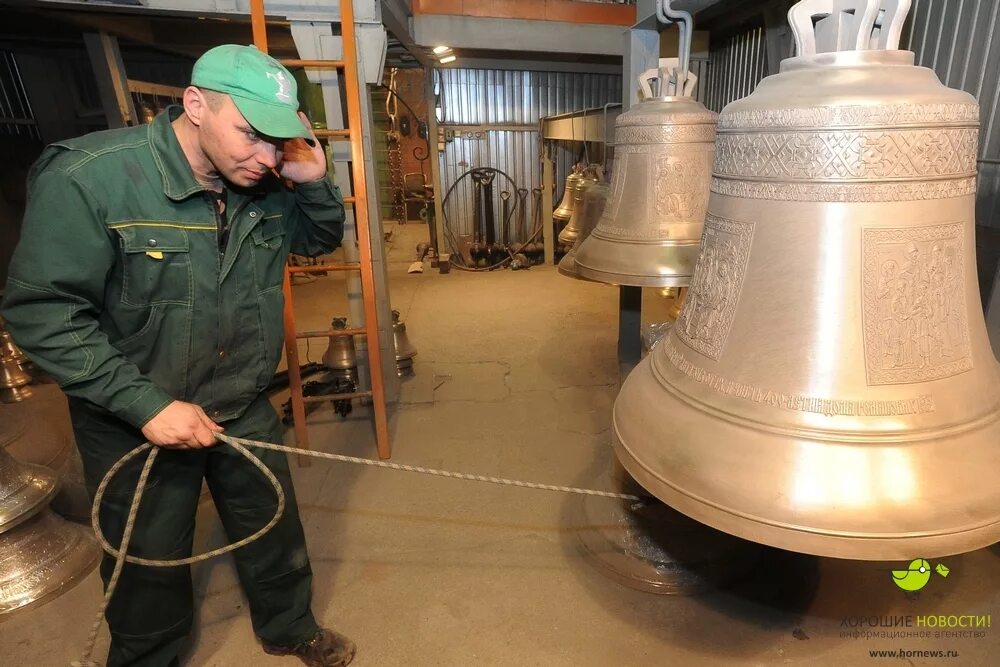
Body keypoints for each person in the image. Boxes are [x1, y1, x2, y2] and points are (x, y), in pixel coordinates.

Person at [1, 45, 355, 667]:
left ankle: (287, 625)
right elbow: (43, 312)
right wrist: (146, 405)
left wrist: (315, 180)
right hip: (135, 412)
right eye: (251, 135)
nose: (267, 157)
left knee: (273, 527)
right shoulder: (92, 178)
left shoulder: (267, 179)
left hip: (241, 398)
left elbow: (319, 239)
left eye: (279, 142)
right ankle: (149, 656)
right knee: (149, 557)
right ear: (195, 105)